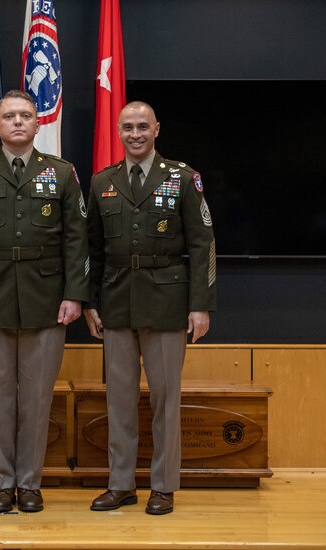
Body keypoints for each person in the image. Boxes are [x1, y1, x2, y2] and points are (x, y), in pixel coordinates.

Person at [0, 90, 88, 513]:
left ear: (38, 123)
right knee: (0, 399)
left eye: (26, 115)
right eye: (9, 116)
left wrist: (74, 295)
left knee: (37, 400)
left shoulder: (62, 174)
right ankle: (1, 483)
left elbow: (77, 239)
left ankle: (30, 483)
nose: (18, 122)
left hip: (47, 302)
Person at [84, 101, 217, 515]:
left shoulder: (182, 177)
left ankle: (163, 485)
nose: (136, 134)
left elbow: (203, 245)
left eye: (143, 126)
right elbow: (93, 249)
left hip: (167, 303)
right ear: (119, 131)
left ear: (157, 129)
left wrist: (200, 305)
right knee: (118, 401)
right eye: (128, 127)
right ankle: (120, 483)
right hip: (117, 302)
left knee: (165, 399)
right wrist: (90, 302)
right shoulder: (102, 181)